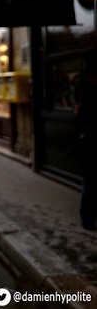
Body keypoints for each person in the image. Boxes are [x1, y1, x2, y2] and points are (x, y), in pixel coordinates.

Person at [73, 57, 97, 230]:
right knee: (89, 181)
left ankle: (87, 220)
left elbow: (77, 114)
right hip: (91, 139)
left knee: (88, 181)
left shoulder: (81, 86)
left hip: (87, 139)